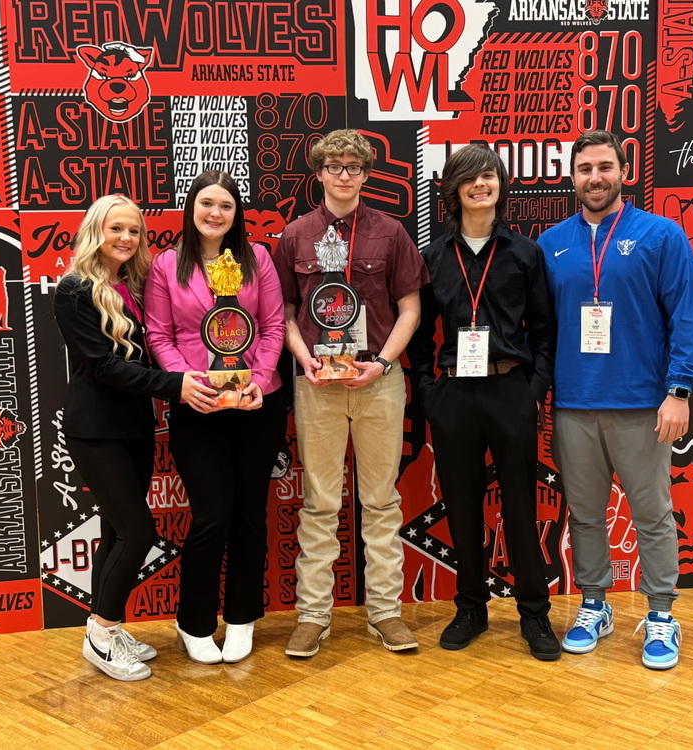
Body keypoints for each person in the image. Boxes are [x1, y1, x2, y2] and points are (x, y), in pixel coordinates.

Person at [537, 130, 693, 670]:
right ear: (571, 177)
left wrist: (678, 391)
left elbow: (689, 316)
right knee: (587, 515)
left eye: (605, 166)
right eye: (586, 168)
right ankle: (595, 604)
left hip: (642, 402)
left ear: (623, 171)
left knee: (652, 514)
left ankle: (661, 613)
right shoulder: (550, 243)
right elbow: (537, 328)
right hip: (573, 402)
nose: (596, 177)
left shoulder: (661, 235)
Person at [274, 129, 429, 657]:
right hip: (317, 384)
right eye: (334, 166)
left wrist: (384, 362)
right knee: (319, 503)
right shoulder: (296, 235)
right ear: (319, 174)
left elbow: (410, 308)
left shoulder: (391, 233)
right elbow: (286, 313)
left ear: (366, 175)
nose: (344, 175)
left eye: (354, 167)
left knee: (381, 502)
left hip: (378, 383)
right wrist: (303, 359)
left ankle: (385, 613)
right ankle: (313, 616)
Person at [406, 144, 559, 660]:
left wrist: (532, 390)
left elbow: (544, 330)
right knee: (462, 506)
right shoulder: (432, 257)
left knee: (520, 504)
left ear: (500, 185)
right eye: (469, 178)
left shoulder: (524, 252)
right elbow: (420, 334)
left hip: (509, 389)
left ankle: (534, 613)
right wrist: (430, 390)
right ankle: (470, 606)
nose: (480, 185)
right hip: (453, 393)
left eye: (489, 177)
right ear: (453, 190)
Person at [53, 195, 200, 681]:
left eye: (134, 231)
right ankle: (101, 629)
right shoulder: (73, 290)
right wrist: (177, 384)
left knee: (116, 532)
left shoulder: (131, 285)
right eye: (116, 228)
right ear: (97, 230)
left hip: (136, 426)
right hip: (95, 431)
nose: (126, 238)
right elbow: (104, 367)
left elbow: (153, 350)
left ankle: (108, 627)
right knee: (140, 532)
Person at [144, 171, 287, 664]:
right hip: (196, 404)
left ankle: (243, 617)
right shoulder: (166, 265)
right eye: (207, 203)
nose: (215, 213)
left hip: (253, 405)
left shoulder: (258, 258)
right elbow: (158, 335)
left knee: (249, 515)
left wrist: (258, 380)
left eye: (225, 205)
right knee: (211, 516)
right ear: (191, 208)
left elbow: (272, 325)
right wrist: (190, 385)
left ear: (236, 214)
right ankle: (195, 623)